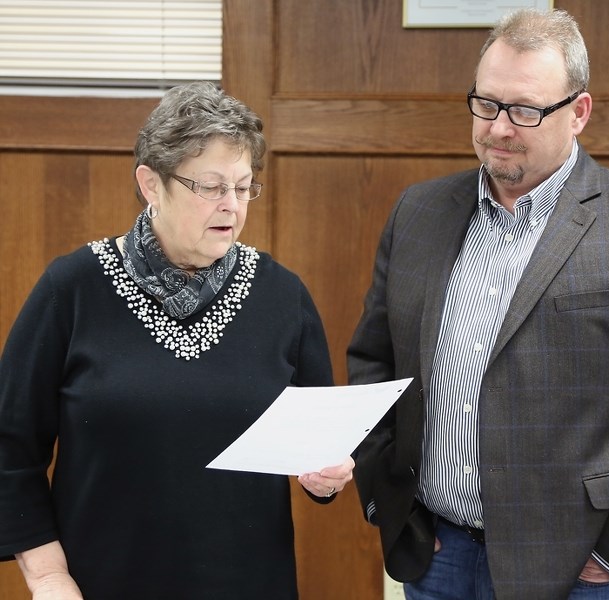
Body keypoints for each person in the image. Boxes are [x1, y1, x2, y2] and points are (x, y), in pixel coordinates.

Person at [348, 8, 609, 600]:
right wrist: (393, 507)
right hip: (437, 556)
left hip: (579, 570)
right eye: (486, 104)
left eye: (526, 110)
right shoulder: (419, 212)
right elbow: (374, 364)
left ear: (578, 113)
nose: (499, 128)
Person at [0, 81, 354, 600]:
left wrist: (327, 475)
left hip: (248, 584)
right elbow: (10, 445)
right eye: (210, 187)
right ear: (151, 183)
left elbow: (318, 450)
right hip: (99, 583)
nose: (231, 205)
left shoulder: (283, 296)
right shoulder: (72, 287)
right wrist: (49, 576)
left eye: (243, 186)